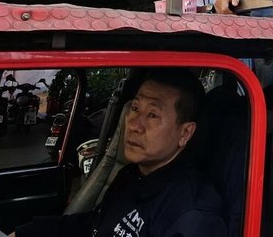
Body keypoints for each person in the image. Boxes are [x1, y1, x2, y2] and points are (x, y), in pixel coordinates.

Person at [12, 69, 226, 237]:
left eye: (152, 115)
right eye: (134, 108)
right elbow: (92, 227)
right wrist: (25, 233)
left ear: (185, 132)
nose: (135, 125)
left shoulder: (193, 216)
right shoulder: (132, 175)